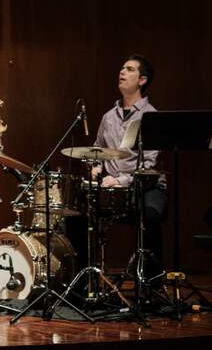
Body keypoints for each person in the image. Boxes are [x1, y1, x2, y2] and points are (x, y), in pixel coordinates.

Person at [69, 55, 167, 276]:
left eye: (130, 69)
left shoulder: (151, 116)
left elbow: (149, 164)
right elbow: (97, 150)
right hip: (115, 189)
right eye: (122, 68)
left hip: (146, 187)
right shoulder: (108, 117)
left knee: (150, 216)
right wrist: (95, 167)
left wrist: (119, 179)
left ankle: (151, 282)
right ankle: (84, 283)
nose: (122, 72)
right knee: (76, 217)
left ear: (142, 80)